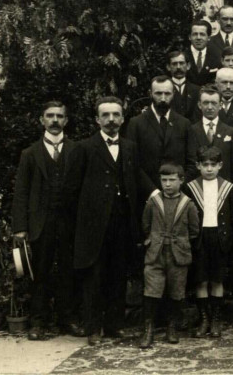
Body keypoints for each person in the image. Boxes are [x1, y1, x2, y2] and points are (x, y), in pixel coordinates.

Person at [66, 96, 141, 346]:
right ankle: (94, 327)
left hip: (122, 223)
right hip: (93, 227)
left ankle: (114, 325)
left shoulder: (130, 147)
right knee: (94, 278)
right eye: (106, 115)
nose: (111, 120)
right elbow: (72, 191)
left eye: (116, 115)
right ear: (97, 119)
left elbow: (133, 184)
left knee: (117, 275)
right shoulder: (84, 148)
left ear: (123, 118)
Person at [12, 101, 83, 340]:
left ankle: (67, 319)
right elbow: (21, 192)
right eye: (50, 116)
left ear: (66, 121)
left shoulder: (77, 150)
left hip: (69, 223)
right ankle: (37, 322)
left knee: (68, 271)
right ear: (42, 120)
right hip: (40, 222)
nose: (54, 120)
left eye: (59, 116)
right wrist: (20, 227)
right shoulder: (30, 154)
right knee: (39, 273)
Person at [139, 163, 200, 348]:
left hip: (178, 255)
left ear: (181, 181)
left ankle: (172, 327)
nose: (167, 184)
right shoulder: (153, 202)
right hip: (156, 254)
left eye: (172, 180)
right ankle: (148, 330)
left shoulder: (188, 204)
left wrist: (180, 242)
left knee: (176, 291)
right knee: (152, 290)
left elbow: (194, 230)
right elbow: (146, 226)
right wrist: (154, 240)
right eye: (164, 180)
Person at [184, 146, 233, 339]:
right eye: (204, 165)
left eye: (213, 165)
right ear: (198, 166)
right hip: (200, 238)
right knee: (201, 279)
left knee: (217, 279)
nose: (208, 169)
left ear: (220, 165)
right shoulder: (190, 187)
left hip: (219, 237)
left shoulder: (228, 187)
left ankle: (215, 319)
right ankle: (203, 318)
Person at [126, 75, 191, 199]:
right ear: (150, 93)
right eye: (158, 93)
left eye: (167, 94)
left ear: (174, 93)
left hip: (179, 195)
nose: (163, 98)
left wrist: (177, 187)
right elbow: (132, 162)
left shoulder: (184, 124)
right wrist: (152, 191)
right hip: (146, 195)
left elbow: (192, 162)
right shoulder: (136, 124)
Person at [186, 85, 233, 183]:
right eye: (205, 103)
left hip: (224, 187)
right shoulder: (191, 130)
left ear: (221, 105)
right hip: (197, 187)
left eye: (213, 103)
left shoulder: (231, 132)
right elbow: (190, 162)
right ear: (199, 105)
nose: (209, 107)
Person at [185, 19, 223, 86]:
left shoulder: (217, 56)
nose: (198, 38)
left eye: (202, 34)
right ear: (189, 37)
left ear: (209, 37)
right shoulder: (183, 57)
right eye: (195, 34)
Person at [167, 50, 201, 122]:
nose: (178, 67)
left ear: (188, 66)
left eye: (181, 63)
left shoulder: (197, 90)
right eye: (174, 64)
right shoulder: (163, 90)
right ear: (168, 67)